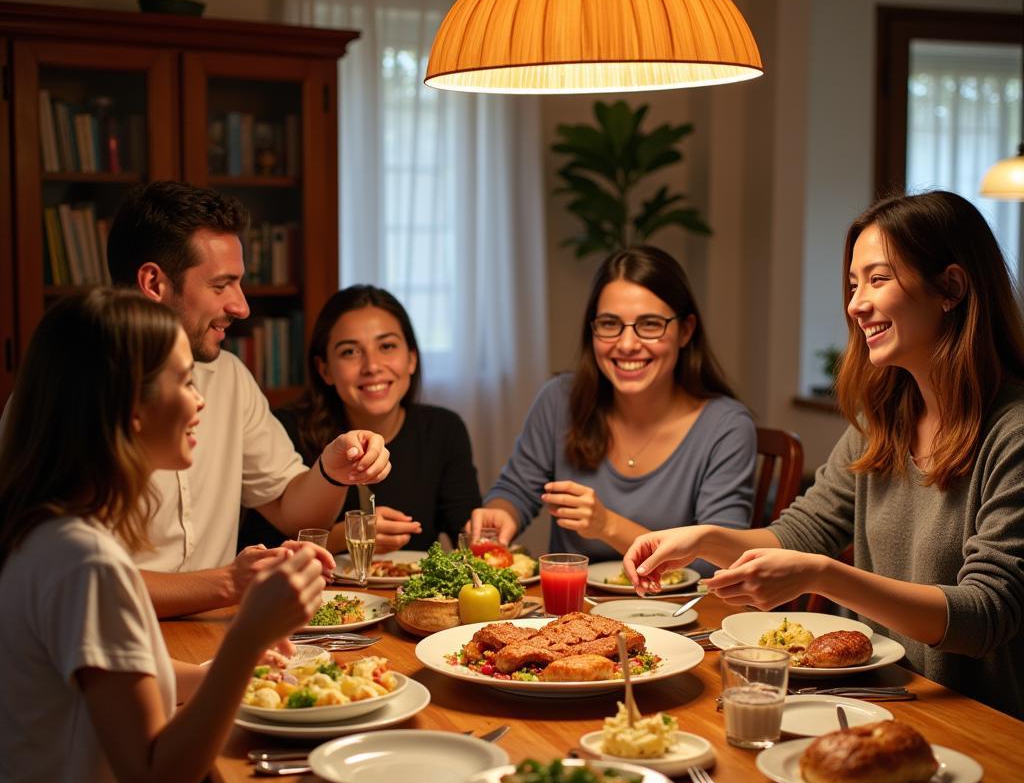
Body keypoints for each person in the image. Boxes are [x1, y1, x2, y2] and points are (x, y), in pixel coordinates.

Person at [0, 289, 326, 783]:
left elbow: (106, 683)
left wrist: (205, 673)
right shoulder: (86, 562)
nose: (200, 398)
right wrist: (245, 640)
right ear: (129, 408)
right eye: (182, 380)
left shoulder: (48, 534)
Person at [624, 191, 1024, 719]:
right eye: (854, 284)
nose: (856, 303)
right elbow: (801, 533)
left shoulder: (1012, 434)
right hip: (879, 699)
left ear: (950, 287)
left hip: (975, 720)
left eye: (878, 279)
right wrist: (703, 538)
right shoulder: (881, 424)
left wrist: (824, 576)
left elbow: (985, 616)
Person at [105, 181, 391, 617]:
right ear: (153, 282)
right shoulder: (73, 389)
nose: (242, 307)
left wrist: (333, 468)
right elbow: (75, 577)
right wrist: (226, 583)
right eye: (223, 285)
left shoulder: (228, 377)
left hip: (216, 630)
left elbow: (290, 509)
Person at [470, 246, 756, 567]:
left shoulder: (727, 426)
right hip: (574, 612)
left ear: (685, 331)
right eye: (609, 324)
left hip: (680, 613)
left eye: (650, 324)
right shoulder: (558, 399)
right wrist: (500, 512)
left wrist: (608, 525)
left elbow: (719, 562)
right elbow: (515, 490)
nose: (627, 344)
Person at [240, 285, 481, 553]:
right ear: (325, 370)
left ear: (411, 359)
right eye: (350, 352)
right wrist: (345, 536)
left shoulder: (443, 429)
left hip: (413, 594)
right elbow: (255, 551)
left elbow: (468, 535)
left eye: (387, 346)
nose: (372, 366)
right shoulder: (284, 429)